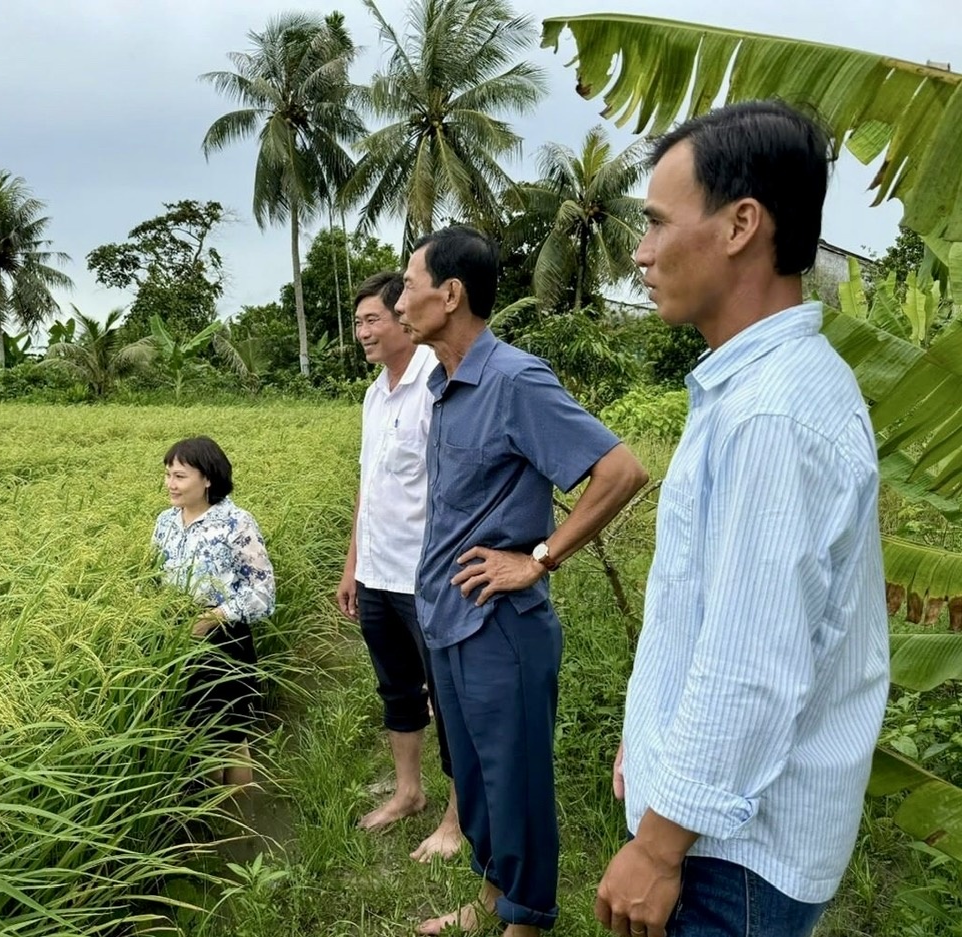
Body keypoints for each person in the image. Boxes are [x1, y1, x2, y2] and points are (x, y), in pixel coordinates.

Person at [595, 100, 889, 937]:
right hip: (725, 830)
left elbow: (751, 664)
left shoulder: (772, 415)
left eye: (656, 223)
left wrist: (656, 846)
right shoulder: (753, 387)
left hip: (734, 853)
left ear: (740, 226)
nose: (642, 252)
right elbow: (711, 614)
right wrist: (648, 744)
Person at [396, 225, 649, 937]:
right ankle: (492, 893)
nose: (401, 297)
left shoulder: (515, 378)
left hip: (499, 626)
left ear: (451, 294)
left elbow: (621, 470)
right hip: (447, 615)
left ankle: (528, 919)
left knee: (516, 781)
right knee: (473, 778)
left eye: (410, 284)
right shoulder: (445, 384)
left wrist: (538, 558)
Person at [336, 270, 463, 861]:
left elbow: (450, 489)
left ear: (401, 320)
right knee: (397, 690)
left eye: (372, 320)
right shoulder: (373, 394)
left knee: (450, 696)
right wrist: (351, 567)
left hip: (426, 578)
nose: (361, 331)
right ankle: (408, 792)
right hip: (377, 573)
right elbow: (369, 487)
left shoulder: (436, 388)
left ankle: (459, 819)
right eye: (358, 321)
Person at [152, 435, 275, 788]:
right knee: (194, 737)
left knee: (231, 739)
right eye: (168, 475)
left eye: (179, 476)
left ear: (207, 478)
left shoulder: (236, 523)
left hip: (224, 642)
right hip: (176, 641)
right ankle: (212, 823)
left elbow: (263, 592)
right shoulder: (165, 523)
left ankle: (241, 827)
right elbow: (153, 579)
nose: (170, 484)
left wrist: (213, 617)